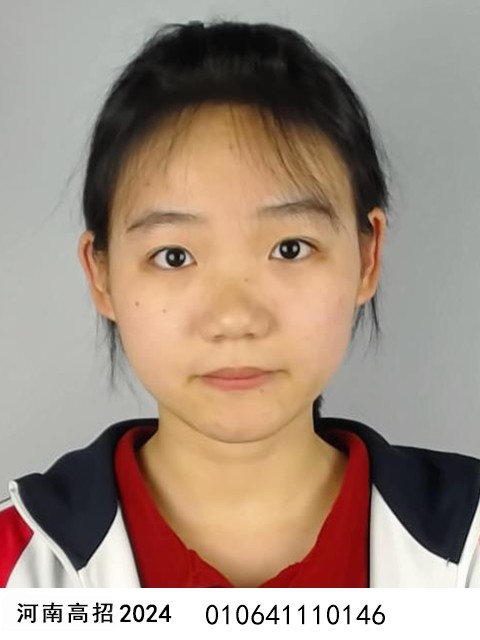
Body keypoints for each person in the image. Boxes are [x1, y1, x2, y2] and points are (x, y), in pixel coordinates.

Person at [1, 19, 479, 588]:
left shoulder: (467, 546)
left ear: (367, 256)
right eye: (174, 256)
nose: (234, 318)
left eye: (290, 248)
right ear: (100, 275)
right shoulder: (19, 567)